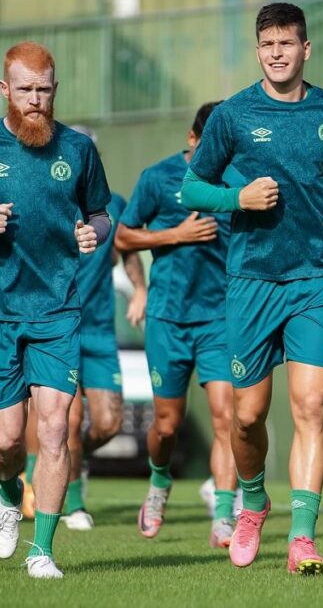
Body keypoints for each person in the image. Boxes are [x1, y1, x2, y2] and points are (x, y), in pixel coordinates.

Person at [181, 3, 323, 575]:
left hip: (317, 277)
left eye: (288, 43)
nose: (278, 52)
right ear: (258, 50)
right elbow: (191, 188)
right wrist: (238, 200)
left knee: (312, 405)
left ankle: (304, 538)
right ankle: (254, 502)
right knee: (247, 417)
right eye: (268, 45)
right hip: (252, 280)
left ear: (306, 49)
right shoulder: (233, 115)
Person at [0, 41, 112, 580]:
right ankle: (9, 493)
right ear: (6, 90)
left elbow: (102, 215)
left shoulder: (78, 149)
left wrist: (92, 232)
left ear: (55, 90)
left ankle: (43, 550)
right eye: (25, 90)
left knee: (55, 430)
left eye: (44, 90)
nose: (35, 100)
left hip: (57, 309)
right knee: (7, 439)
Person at [115, 101, 240, 548]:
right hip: (168, 319)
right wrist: (174, 236)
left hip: (220, 321)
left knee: (228, 416)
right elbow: (123, 236)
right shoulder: (158, 178)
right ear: (192, 139)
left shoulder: (238, 182)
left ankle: (224, 514)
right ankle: (159, 482)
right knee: (167, 425)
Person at [20, 124, 147, 530]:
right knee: (68, 420)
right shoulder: (47, 199)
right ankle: (71, 504)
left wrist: (139, 288)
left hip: (98, 330)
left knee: (109, 422)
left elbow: (124, 247)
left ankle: (66, 463)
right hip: (59, 327)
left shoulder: (115, 204)